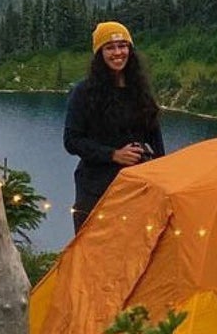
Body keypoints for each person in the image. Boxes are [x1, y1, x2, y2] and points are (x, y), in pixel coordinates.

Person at [64, 20, 165, 233]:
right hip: (96, 188)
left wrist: (161, 174)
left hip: (136, 187)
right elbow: (72, 141)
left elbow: (155, 139)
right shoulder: (83, 92)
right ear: (99, 53)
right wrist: (113, 155)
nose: (118, 53)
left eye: (123, 46)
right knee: (94, 246)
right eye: (110, 47)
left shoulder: (140, 90)